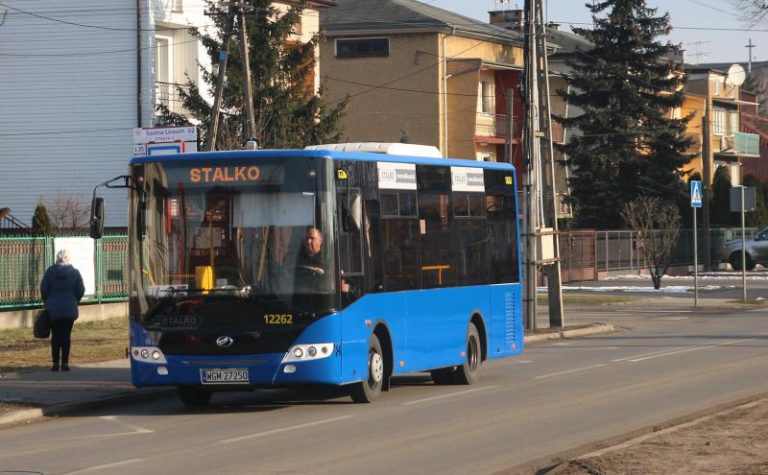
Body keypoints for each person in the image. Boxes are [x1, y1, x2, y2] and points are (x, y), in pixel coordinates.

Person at [40, 249, 85, 372]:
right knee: (66, 335)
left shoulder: (50, 272)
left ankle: (55, 363)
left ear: (57, 258)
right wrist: (74, 300)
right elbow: (81, 290)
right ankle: (65, 363)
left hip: (53, 308)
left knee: (55, 335)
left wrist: (47, 300)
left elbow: (44, 288)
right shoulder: (75, 273)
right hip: (69, 308)